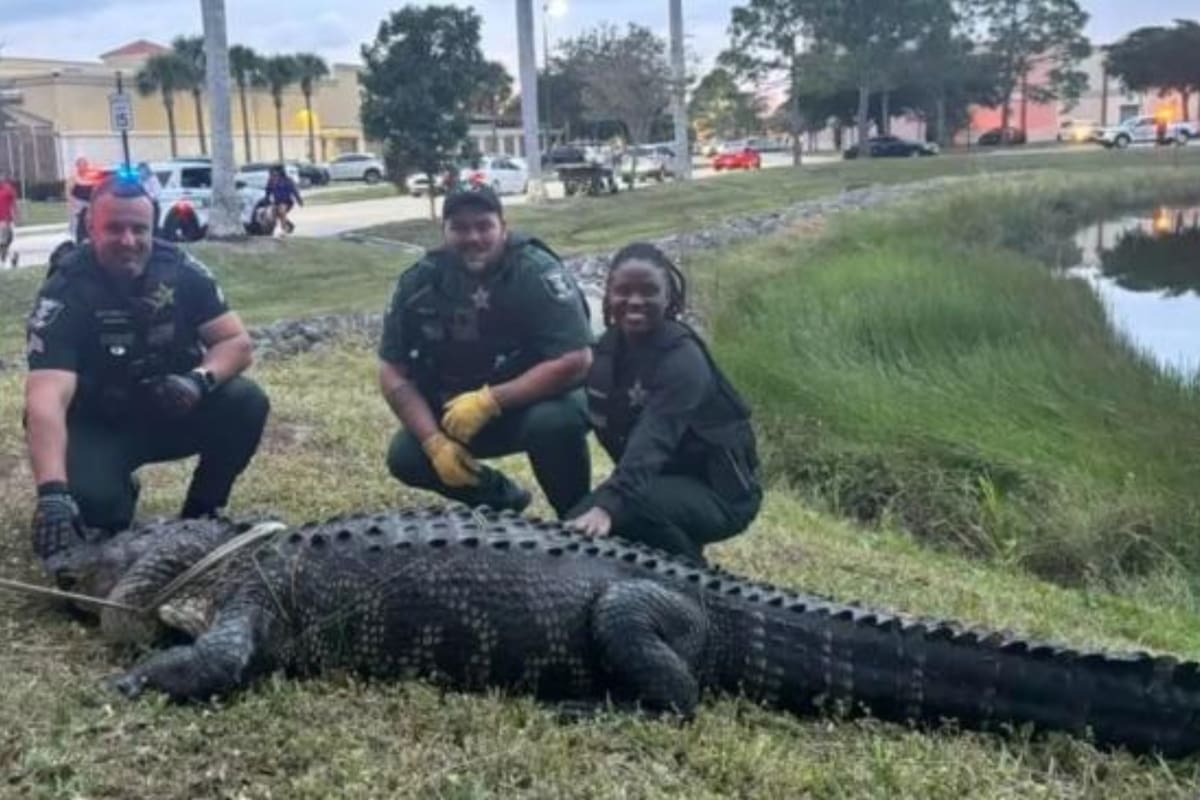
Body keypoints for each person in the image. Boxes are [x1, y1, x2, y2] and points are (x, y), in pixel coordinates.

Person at [23, 174, 270, 567]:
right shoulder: (67, 288)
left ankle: (200, 514)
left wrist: (197, 381)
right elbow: (46, 398)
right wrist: (52, 492)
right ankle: (110, 487)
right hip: (96, 422)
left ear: (153, 226)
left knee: (245, 401)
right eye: (114, 228)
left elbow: (235, 343)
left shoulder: (182, 270)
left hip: (165, 408)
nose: (128, 241)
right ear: (91, 226)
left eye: (139, 229)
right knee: (98, 512)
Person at [378, 186, 592, 517]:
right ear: (444, 232)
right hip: (458, 409)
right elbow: (392, 370)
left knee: (552, 423)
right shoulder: (420, 281)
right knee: (407, 455)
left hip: (536, 400)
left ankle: (577, 514)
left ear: (503, 229)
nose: (473, 237)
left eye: (484, 226)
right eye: (460, 228)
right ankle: (503, 500)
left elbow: (576, 360)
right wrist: (434, 441)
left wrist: (491, 400)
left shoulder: (534, 270)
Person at [566, 242, 762, 563]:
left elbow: (654, 438)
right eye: (623, 291)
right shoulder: (608, 348)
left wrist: (609, 505)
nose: (634, 301)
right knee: (576, 520)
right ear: (608, 295)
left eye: (648, 291)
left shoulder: (683, 359)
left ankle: (699, 586)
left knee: (629, 511)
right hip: (660, 481)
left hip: (722, 494)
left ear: (669, 296)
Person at [265, 165, 302, 235]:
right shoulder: (270, 181)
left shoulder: (287, 180)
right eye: (271, 172)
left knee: (281, 211)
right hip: (277, 201)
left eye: (274, 172)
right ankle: (289, 225)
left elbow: (294, 191)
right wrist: (266, 200)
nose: (272, 174)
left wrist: (299, 200)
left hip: (287, 201)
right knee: (274, 214)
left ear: (279, 172)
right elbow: (268, 191)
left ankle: (283, 230)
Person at [136, 162, 163, 237]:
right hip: (142, 206)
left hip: (153, 205)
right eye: (139, 171)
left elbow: (157, 193)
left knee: (153, 227)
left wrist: (148, 195)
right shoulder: (139, 181)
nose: (141, 173)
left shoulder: (152, 179)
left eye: (142, 170)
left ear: (147, 170)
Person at [0, 169, 19, 268]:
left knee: (4, 242)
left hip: (5, 220)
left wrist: (16, 216)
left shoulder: (8, 189)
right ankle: (12, 257)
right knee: (4, 242)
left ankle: (5, 261)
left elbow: (14, 204)